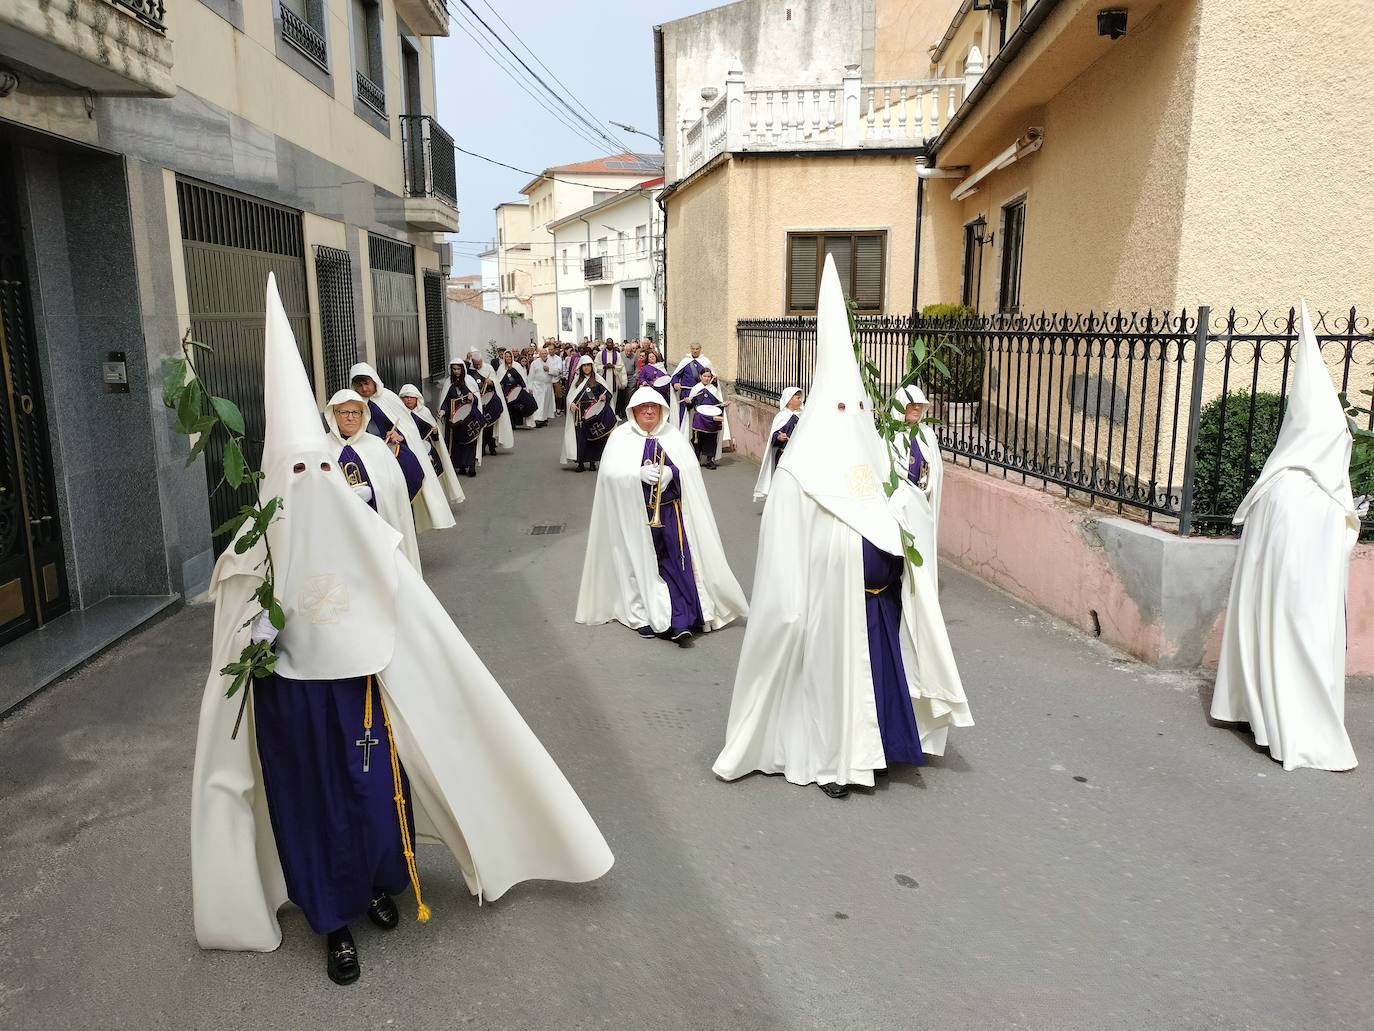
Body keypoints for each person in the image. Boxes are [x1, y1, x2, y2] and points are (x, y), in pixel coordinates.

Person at [191, 275, 614, 986]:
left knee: (371, 791)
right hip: (290, 705)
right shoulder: (251, 550)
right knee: (311, 806)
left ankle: (378, 884)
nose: (316, 479)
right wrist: (256, 629)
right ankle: (331, 919)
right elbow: (231, 637)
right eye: (299, 470)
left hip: (356, 690)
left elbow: (405, 600)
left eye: (322, 467)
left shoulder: (361, 530)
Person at [713, 255, 972, 799]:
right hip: (827, 611)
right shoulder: (797, 475)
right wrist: (789, 614)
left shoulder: (877, 459)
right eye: (838, 405)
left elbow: (903, 518)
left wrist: (904, 529)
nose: (848, 414)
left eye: (856, 405)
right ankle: (835, 760)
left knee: (878, 680)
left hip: (878, 602)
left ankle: (880, 750)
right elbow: (783, 564)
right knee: (834, 684)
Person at [1210, 301, 1359, 771]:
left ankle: (1254, 709)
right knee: (1300, 650)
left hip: (1274, 602)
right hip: (1302, 607)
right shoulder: (1316, 495)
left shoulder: (1274, 484)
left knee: (1265, 632)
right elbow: (1313, 575)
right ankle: (1299, 730)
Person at [576, 386, 748, 647]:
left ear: (662, 410)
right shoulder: (621, 437)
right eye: (643, 407)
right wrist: (636, 475)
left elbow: (689, 471)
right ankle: (646, 613)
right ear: (633, 411)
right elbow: (609, 475)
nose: (648, 411)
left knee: (677, 564)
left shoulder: (673, 436)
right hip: (635, 517)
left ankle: (681, 620)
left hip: (672, 513)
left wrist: (672, 472)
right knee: (640, 565)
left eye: (654, 407)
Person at [348, 362, 455, 533]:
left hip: (395, 453)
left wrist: (400, 436)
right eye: (359, 385)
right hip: (369, 457)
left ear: (374, 381)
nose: (364, 388)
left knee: (402, 497)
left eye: (366, 383)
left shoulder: (388, 398)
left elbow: (408, 427)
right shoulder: (353, 403)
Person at [325, 390, 423, 572]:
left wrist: (374, 492)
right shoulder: (323, 448)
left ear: (363, 415)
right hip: (343, 527)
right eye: (344, 412)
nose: (350, 417)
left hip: (377, 523)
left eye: (356, 412)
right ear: (333, 415)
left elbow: (395, 487)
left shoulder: (376, 445)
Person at [397, 383, 465, 508]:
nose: (408, 400)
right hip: (410, 452)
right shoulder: (398, 414)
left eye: (411, 397)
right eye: (405, 397)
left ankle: (437, 504)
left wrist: (434, 432)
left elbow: (434, 437)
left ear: (417, 398)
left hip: (426, 450)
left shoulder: (424, 412)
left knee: (433, 478)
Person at [562, 356, 617, 473]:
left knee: (594, 439)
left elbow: (608, 394)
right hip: (580, 414)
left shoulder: (598, 379)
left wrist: (603, 397)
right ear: (581, 367)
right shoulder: (577, 381)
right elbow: (569, 397)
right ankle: (580, 463)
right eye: (584, 366)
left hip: (594, 415)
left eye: (588, 365)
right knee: (581, 438)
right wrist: (571, 404)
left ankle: (592, 462)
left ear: (592, 366)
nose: (586, 368)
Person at [752, 387, 803, 502]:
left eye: (801, 398)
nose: (801, 400)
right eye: (798, 398)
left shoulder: (802, 416)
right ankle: (780, 502)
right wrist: (778, 437)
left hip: (798, 454)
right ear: (789, 400)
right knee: (783, 479)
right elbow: (774, 435)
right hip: (784, 455)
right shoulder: (782, 416)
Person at [439, 358, 483, 477]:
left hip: (469, 419)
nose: (456, 371)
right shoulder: (449, 383)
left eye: (458, 369)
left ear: (463, 369)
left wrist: (472, 397)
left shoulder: (469, 381)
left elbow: (477, 400)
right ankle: (460, 465)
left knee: (471, 441)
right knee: (456, 443)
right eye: (454, 369)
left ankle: (471, 465)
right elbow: (446, 401)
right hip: (455, 419)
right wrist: (443, 411)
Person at [468, 349, 512, 457]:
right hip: (478, 402)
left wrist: (491, 382)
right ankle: (481, 448)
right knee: (481, 425)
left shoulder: (488, 368)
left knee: (490, 426)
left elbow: (496, 382)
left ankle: (492, 447)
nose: (478, 366)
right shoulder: (470, 370)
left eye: (479, 364)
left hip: (490, 402)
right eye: (476, 364)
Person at [685, 369, 727, 469]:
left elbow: (719, 405)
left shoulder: (714, 389)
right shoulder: (696, 388)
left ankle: (710, 459)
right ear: (700, 377)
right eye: (705, 376)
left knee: (711, 439)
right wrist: (688, 402)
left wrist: (723, 405)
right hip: (699, 418)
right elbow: (690, 406)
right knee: (698, 439)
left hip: (711, 419)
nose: (707, 378)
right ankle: (697, 458)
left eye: (708, 376)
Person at [496, 349, 538, 430]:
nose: (508, 358)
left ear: (512, 357)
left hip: (517, 389)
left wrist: (525, 387)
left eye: (509, 356)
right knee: (510, 408)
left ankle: (528, 422)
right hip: (507, 391)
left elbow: (522, 378)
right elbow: (499, 380)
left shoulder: (516, 365)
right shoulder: (501, 368)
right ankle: (512, 424)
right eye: (506, 356)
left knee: (528, 402)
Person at [668, 343, 708, 428]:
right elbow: (676, 376)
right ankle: (684, 436)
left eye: (697, 349)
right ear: (690, 349)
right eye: (693, 349)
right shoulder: (685, 361)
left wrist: (714, 379)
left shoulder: (705, 362)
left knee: (700, 416)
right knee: (684, 417)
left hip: (700, 393)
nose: (695, 351)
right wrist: (675, 383)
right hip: (686, 393)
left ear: (700, 349)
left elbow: (710, 376)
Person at [527, 347, 558, 426]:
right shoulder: (535, 363)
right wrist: (530, 387)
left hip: (548, 386)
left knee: (546, 403)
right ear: (539, 354)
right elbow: (531, 376)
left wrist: (549, 369)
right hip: (538, 386)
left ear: (547, 354)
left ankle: (544, 419)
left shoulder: (550, 362)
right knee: (539, 403)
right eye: (542, 353)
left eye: (545, 353)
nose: (544, 355)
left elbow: (556, 372)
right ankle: (537, 420)